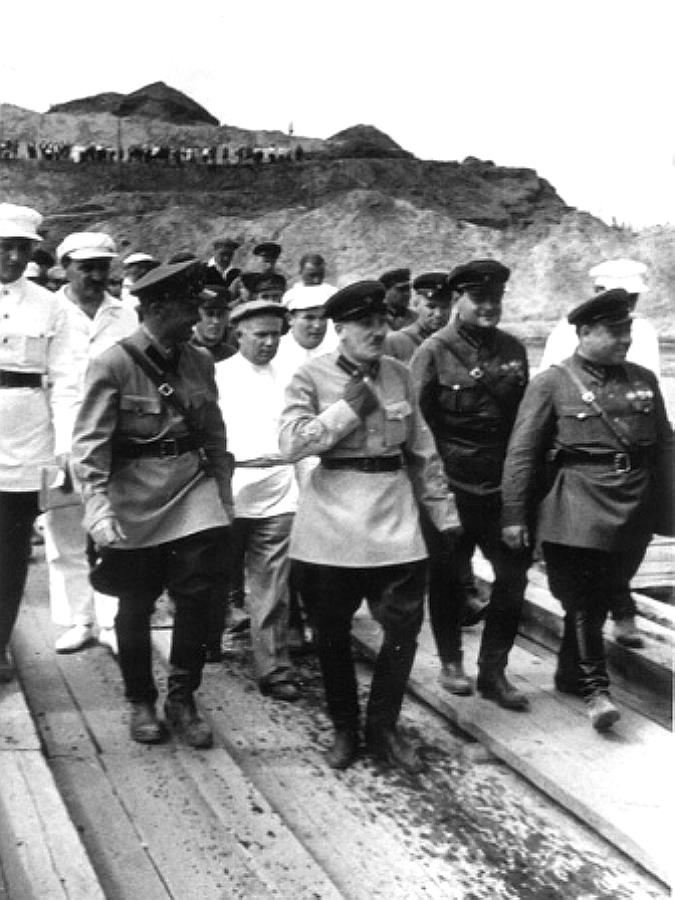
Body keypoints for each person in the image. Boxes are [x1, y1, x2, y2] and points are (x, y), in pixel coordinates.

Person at [279, 280, 459, 772]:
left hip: (394, 523)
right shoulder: (308, 376)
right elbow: (292, 445)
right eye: (365, 323)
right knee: (331, 635)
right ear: (340, 329)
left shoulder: (400, 374)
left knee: (403, 630)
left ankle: (383, 726)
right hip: (330, 527)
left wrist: (445, 517)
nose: (378, 331)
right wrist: (348, 407)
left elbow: (422, 449)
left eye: (382, 321)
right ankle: (343, 727)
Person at [71, 259, 234, 746]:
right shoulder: (113, 363)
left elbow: (214, 432)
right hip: (132, 497)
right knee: (134, 602)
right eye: (190, 307)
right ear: (160, 308)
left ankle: (182, 696)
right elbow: (89, 446)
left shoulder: (199, 360)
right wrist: (97, 508)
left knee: (198, 597)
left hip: (190, 489)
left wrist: (222, 492)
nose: (197, 317)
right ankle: (140, 698)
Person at [501, 289, 672, 731]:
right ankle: (597, 691)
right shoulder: (552, 383)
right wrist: (515, 514)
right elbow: (522, 452)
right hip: (574, 505)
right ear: (584, 332)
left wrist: (669, 509)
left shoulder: (643, 380)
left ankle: (569, 674)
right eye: (615, 331)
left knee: (607, 592)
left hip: (631, 508)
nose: (625, 339)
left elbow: (665, 446)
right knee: (581, 599)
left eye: (627, 329)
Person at [410, 260, 530, 709]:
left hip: (501, 486)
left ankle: (494, 671)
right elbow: (419, 428)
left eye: (495, 300)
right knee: (446, 578)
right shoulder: (433, 352)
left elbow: (524, 423)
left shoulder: (514, 350)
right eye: (479, 300)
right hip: (451, 483)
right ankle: (450, 662)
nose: (488, 308)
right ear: (458, 300)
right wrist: (430, 491)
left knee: (513, 578)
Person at [538, 258, 662, 648]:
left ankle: (619, 611)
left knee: (629, 540)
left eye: (633, 297)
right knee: (585, 559)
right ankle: (613, 620)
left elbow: (651, 390)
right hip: (587, 451)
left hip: (633, 442)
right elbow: (551, 393)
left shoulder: (646, 333)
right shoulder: (567, 334)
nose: (629, 304)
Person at [45, 232, 138, 656]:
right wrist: (61, 444)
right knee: (64, 532)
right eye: (87, 268)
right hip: (55, 435)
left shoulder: (125, 315)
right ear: (65, 268)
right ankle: (80, 619)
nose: (97, 275)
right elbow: (45, 383)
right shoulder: (49, 312)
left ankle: (111, 620)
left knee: (114, 529)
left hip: (115, 437)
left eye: (103, 266)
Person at [0, 203, 77, 683]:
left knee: (9, 555)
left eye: (21, 249)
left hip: (26, 442)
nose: (11, 258)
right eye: (3, 248)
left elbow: (67, 381)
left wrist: (66, 445)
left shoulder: (52, 307)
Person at [215, 299, 299, 699]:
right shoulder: (218, 375)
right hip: (231, 486)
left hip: (279, 485)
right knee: (216, 573)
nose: (268, 343)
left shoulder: (292, 375)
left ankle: (274, 667)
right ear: (239, 334)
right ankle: (206, 640)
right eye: (259, 334)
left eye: (275, 334)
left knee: (272, 584)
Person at [383, 272, 452, 363]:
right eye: (431, 307)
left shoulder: (455, 340)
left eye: (444, 307)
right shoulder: (394, 342)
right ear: (416, 304)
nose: (438, 314)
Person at [189, 285, 237, 361]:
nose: (216, 321)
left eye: (221, 314)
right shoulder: (185, 354)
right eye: (209, 314)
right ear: (196, 316)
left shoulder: (232, 354)